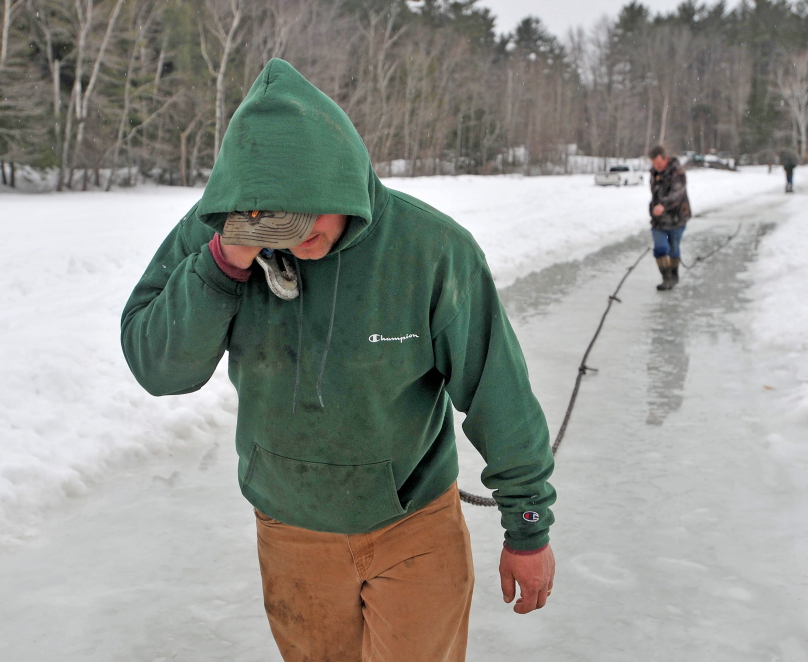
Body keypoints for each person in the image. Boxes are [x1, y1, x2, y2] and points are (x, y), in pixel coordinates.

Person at [120, 59, 556, 662]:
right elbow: (159, 367)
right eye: (274, 220)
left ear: (343, 181)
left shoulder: (429, 249)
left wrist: (527, 524)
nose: (294, 238)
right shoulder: (225, 234)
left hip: (413, 523)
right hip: (290, 529)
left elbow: (496, 390)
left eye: (306, 215)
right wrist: (225, 262)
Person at [648, 145, 692, 291]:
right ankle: (666, 278)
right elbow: (654, 194)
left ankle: (674, 275)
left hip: (677, 217)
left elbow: (677, 194)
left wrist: (663, 205)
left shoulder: (677, 171)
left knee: (673, 248)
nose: (657, 166)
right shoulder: (654, 173)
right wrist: (654, 209)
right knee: (660, 248)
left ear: (665, 159)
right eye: (654, 164)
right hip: (659, 219)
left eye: (659, 163)